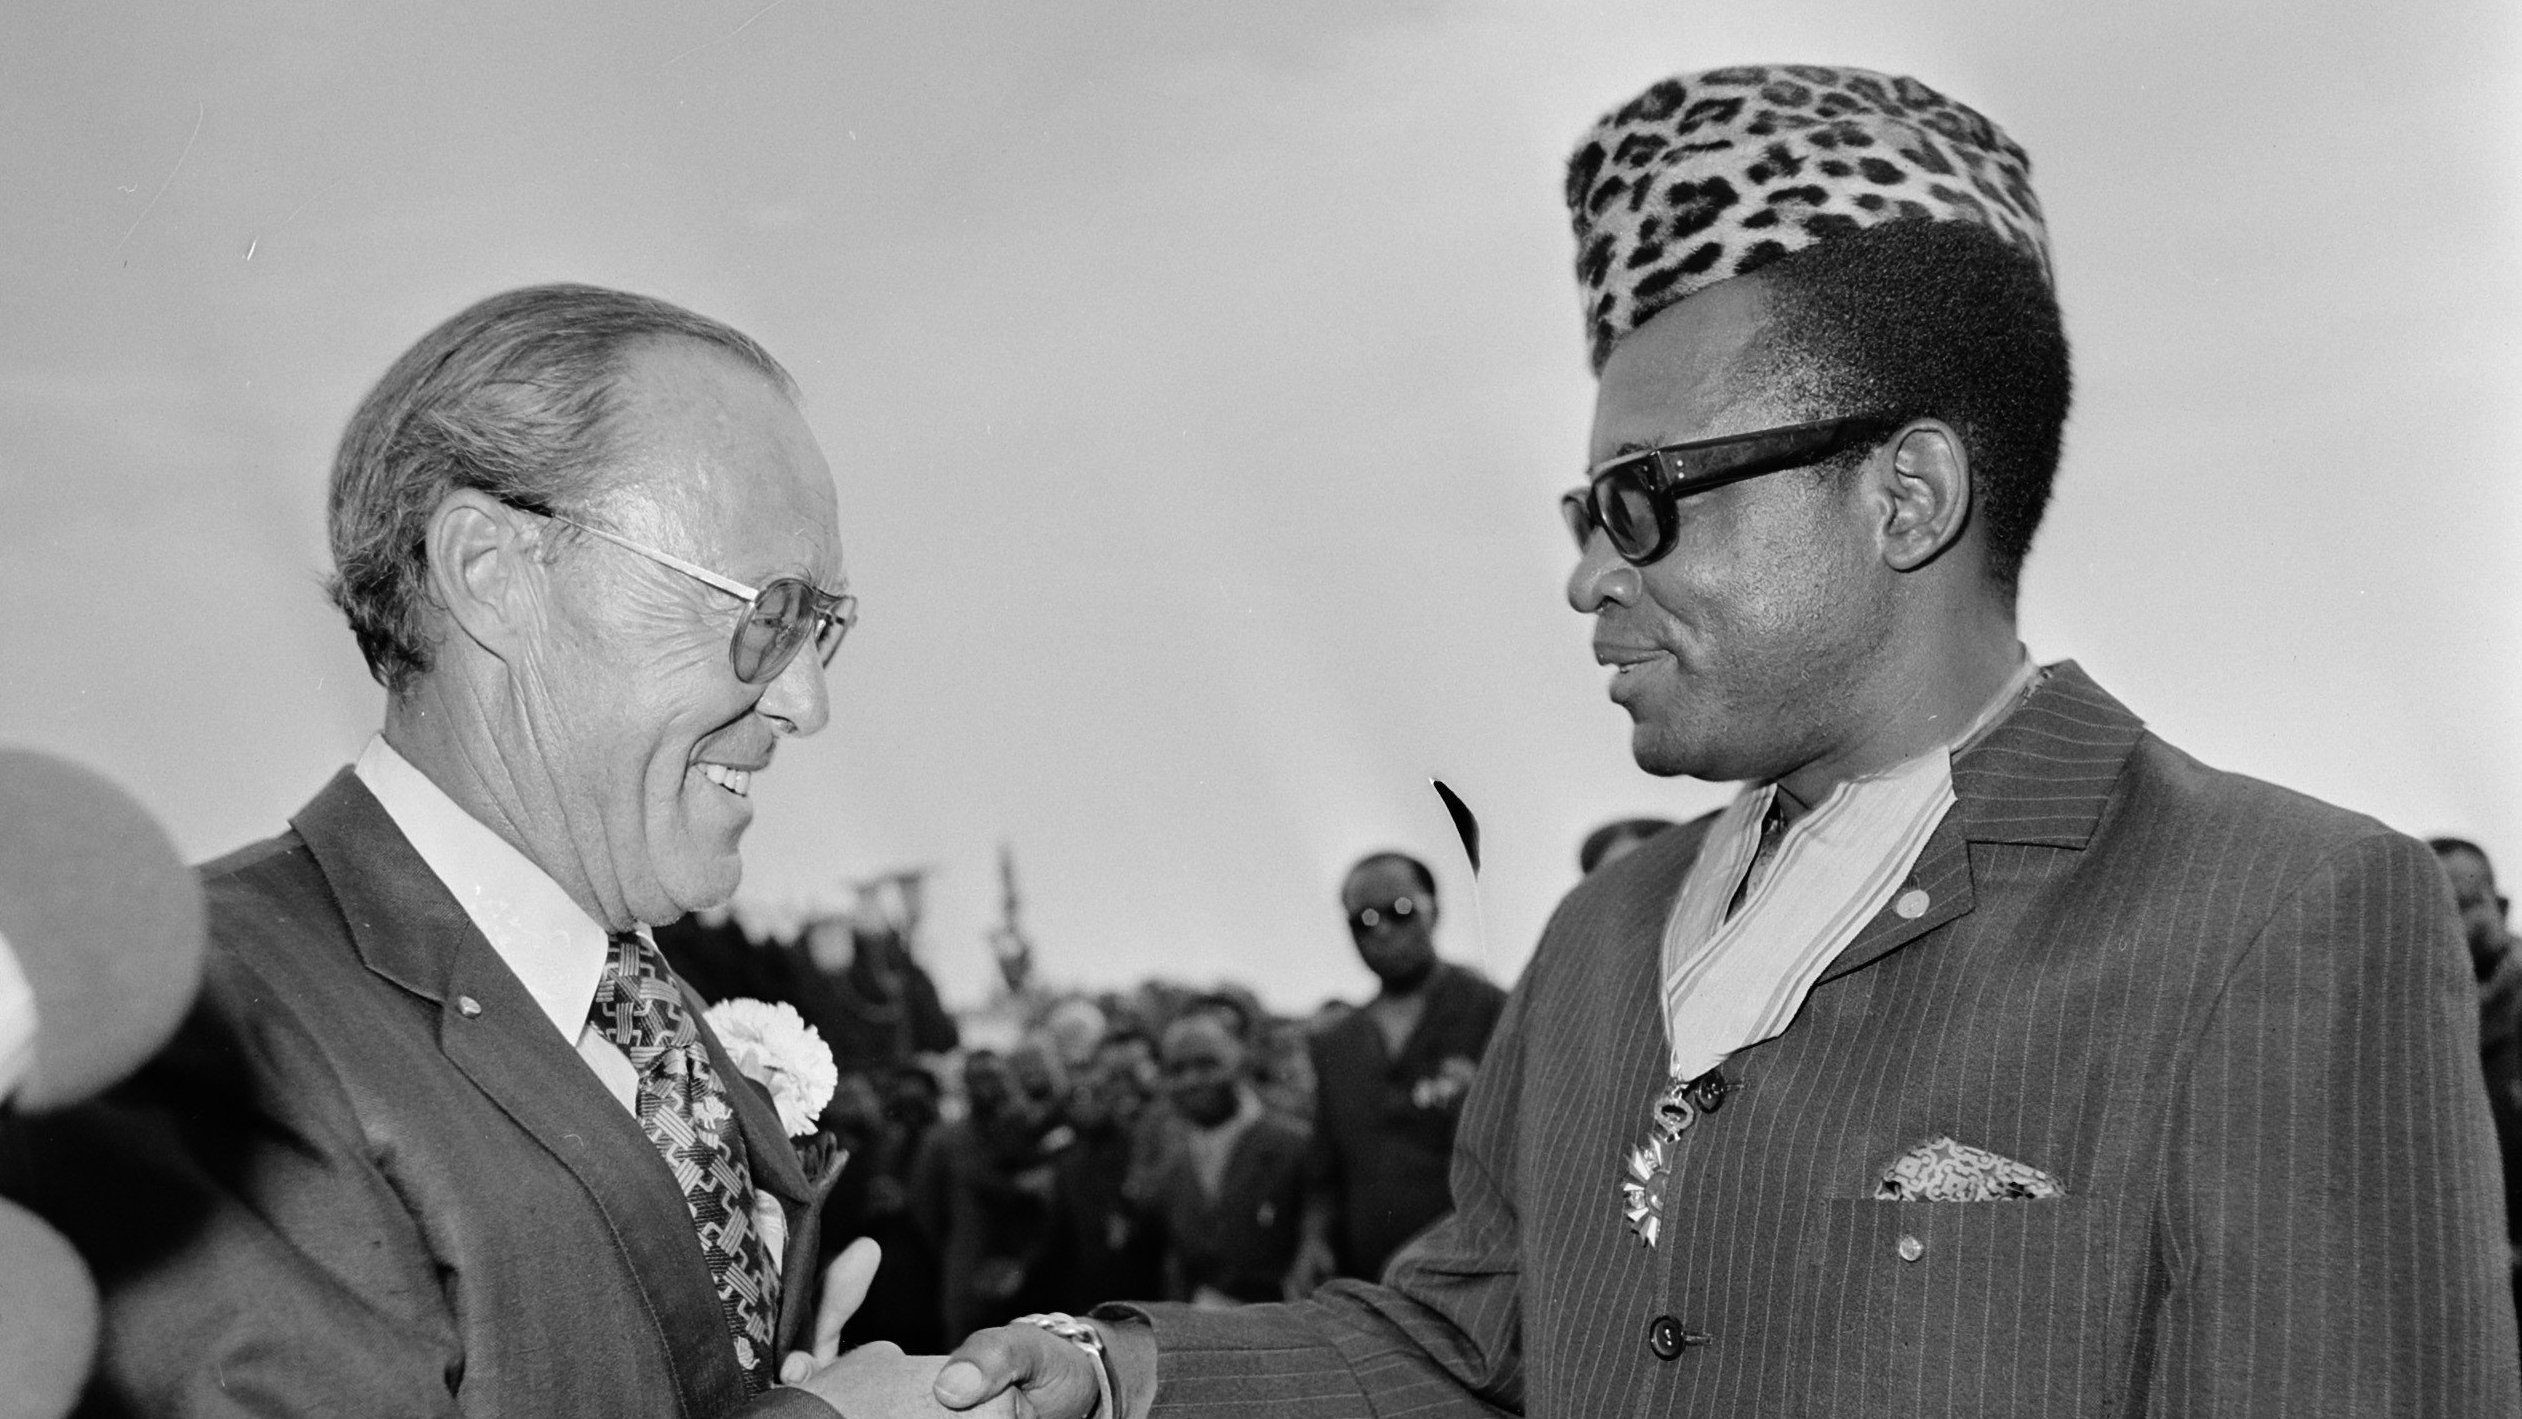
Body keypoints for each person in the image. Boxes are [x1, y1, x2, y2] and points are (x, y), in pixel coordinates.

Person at [936, 65, 2518, 1417]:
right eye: (1581, 513)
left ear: (1904, 495)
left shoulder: (2274, 913)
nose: (1585, 575)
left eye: (1640, 498)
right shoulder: (1604, 929)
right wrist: (1105, 1368)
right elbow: (1471, 1342)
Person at [0, 284, 961, 1418]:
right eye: (767, 613)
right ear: (491, 571)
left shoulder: (649, 1020)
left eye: (820, 631)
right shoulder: (210, 1033)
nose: (803, 702)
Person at [1288, 852, 1505, 1295]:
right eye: (1362, 921)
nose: (1381, 930)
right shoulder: (1338, 1043)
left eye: (1400, 911)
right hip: (1371, 1288)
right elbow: (1325, 1172)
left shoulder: (1494, 1012)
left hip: (1478, 1283)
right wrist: (1313, 1241)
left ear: (1435, 911)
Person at [1140, 1013, 1308, 1306]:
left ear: (1240, 1064)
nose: (1191, 1080)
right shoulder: (1171, 1164)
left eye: (1207, 1064)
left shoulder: (1294, 1145)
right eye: (1177, 1070)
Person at [2433, 837, 2522, 1284]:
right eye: (2439, 911)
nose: (2457, 925)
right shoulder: (2419, 1028)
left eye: (2469, 903)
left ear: (2501, 907)